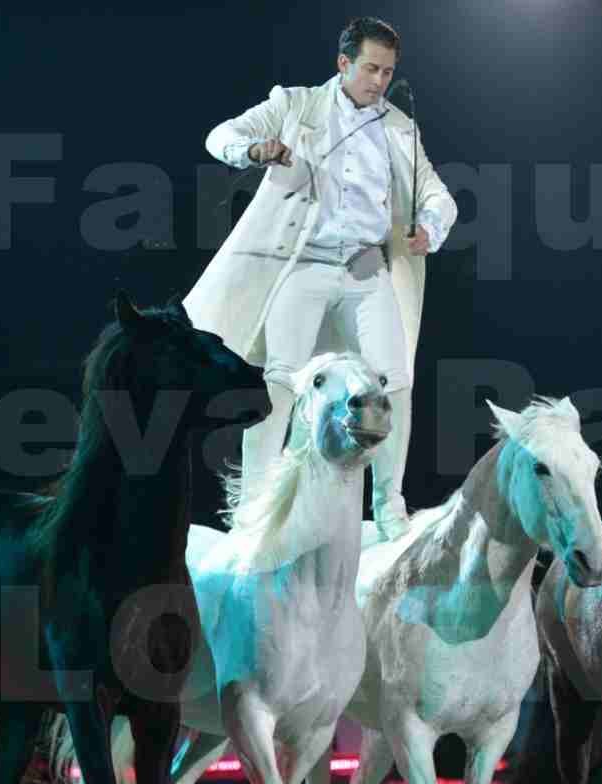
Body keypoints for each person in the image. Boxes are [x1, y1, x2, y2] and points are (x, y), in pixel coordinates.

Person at [183, 16, 457, 540]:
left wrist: (431, 225)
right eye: (371, 68)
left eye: (388, 71)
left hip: (365, 270)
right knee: (280, 380)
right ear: (344, 63)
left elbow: (437, 194)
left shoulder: (399, 128)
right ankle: (255, 510)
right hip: (301, 265)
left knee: (394, 381)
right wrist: (255, 149)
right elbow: (222, 135)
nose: (379, 80)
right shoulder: (295, 106)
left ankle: (389, 508)